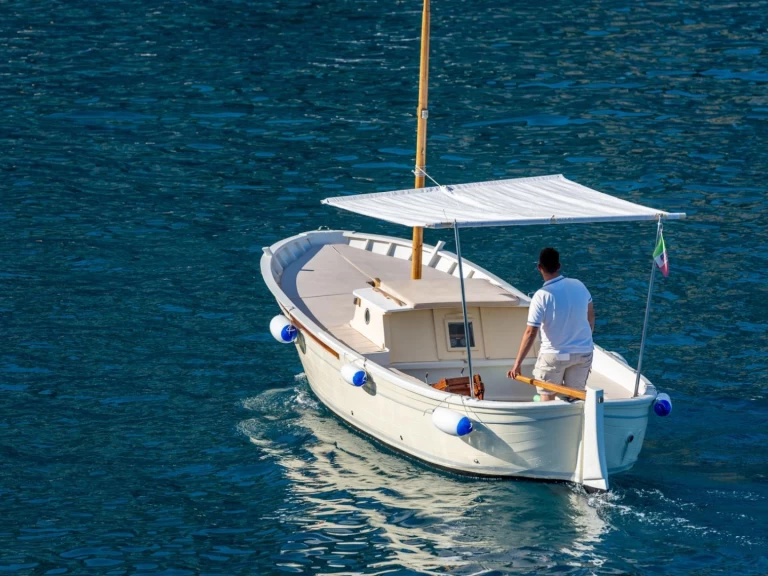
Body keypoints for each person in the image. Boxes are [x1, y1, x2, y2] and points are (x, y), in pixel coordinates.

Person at [507, 247, 595, 401]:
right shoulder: (579, 285)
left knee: (547, 398)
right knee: (577, 397)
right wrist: (583, 341)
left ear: (539, 267)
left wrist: (517, 364)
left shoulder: (541, 296)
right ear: (559, 266)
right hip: (583, 352)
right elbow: (590, 317)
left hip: (554, 355)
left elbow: (530, 333)